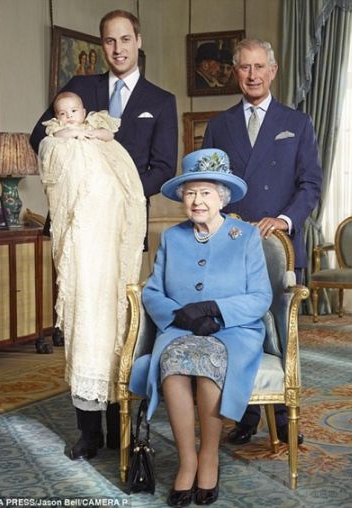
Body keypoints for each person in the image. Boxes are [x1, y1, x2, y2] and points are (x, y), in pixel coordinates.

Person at [30, 9, 178, 461]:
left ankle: (121, 427)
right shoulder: (80, 89)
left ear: (138, 40)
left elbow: (163, 168)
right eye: (110, 41)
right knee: (82, 325)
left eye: (125, 39)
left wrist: (120, 193)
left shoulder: (161, 99)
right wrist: (73, 143)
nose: (118, 48)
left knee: (120, 326)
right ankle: (88, 432)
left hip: (123, 232)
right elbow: (41, 136)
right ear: (102, 46)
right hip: (79, 235)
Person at [129, 148, 273, 507]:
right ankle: (187, 460)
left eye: (206, 192)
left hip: (233, 330)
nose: (197, 201)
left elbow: (260, 297)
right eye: (190, 193)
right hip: (180, 328)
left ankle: (209, 457)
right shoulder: (173, 237)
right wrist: (179, 316)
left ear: (221, 197)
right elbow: (152, 290)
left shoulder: (247, 236)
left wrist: (214, 309)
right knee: (174, 367)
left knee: (209, 365)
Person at [202, 38, 322, 446]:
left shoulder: (298, 122)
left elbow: (310, 185)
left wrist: (285, 220)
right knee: (239, 329)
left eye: (259, 67)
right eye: (244, 68)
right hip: (233, 246)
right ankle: (247, 413)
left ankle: (288, 418)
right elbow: (208, 186)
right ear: (235, 73)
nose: (252, 75)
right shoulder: (219, 126)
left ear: (272, 71)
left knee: (283, 334)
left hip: (280, 246)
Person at [38, 88, 146, 461]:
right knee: (87, 336)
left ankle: (119, 428)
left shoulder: (103, 135)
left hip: (116, 252)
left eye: (74, 111)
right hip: (84, 254)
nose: (69, 117)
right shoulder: (56, 142)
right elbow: (54, 179)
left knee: (120, 334)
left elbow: (129, 182)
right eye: (62, 113)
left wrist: (93, 133)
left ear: (84, 111)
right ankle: (89, 433)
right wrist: (68, 135)